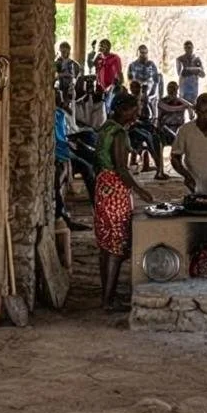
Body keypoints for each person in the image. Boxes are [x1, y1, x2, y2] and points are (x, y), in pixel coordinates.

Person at [95, 92, 153, 311]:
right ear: (122, 109)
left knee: (106, 244)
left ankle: (106, 295)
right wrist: (139, 190)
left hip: (103, 187)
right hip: (116, 191)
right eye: (133, 108)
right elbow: (121, 168)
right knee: (117, 246)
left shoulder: (106, 127)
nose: (136, 112)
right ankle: (108, 302)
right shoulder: (119, 134)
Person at [54, 100, 93, 230]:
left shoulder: (60, 114)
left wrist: (71, 141)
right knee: (58, 181)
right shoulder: (54, 115)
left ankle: (97, 204)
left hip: (64, 149)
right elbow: (59, 139)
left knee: (88, 164)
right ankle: (64, 217)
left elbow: (65, 134)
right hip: (59, 152)